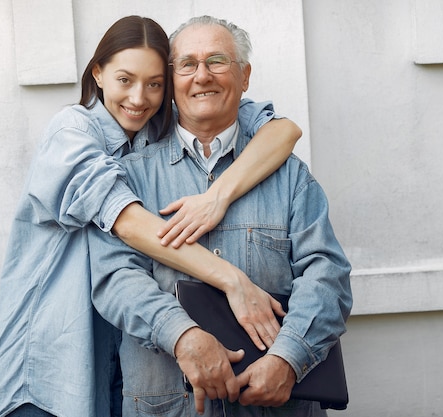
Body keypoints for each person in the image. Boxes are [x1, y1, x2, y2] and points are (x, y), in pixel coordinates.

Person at [0, 15, 303, 417]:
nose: (139, 97)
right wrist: (235, 282)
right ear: (97, 73)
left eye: (154, 84)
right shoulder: (71, 134)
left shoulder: (152, 134)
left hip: (119, 369)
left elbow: (283, 131)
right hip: (51, 370)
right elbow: (131, 225)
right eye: (125, 80)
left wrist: (217, 196)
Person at [88, 15, 353, 417]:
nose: (202, 76)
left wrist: (289, 357)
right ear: (171, 80)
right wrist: (185, 336)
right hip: (168, 406)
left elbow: (327, 274)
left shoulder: (289, 175)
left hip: (277, 405)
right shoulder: (130, 173)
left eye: (217, 61)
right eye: (187, 65)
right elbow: (114, 279)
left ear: (244, 76)